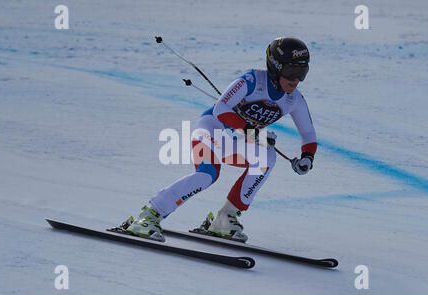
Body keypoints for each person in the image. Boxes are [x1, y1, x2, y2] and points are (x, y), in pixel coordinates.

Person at [120, 37, 317, 243]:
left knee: (267, 157)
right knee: (207, 175)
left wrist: (307, 157)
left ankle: (225, 217)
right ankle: (149, 214)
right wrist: (253, 133)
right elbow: (221, 108)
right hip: (210, 129)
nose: (296, 80)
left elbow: (309, 135)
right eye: (292, 72)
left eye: (302, 73)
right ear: (276, 67)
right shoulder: (252, 80)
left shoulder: (294, 99)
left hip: (233, 140)